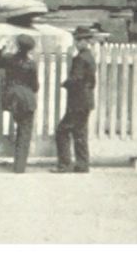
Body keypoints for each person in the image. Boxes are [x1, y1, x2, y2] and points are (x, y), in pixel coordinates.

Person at [52, 26, 96, 173]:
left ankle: (64, 164)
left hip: (78, 102)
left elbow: (76, 79)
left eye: (79, 40)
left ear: (85, 41)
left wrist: (65, 83)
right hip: (87, 100)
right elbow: (92, 81)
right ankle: (82, 165)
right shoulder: (89, 56)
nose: (77, 43)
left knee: (62, 130)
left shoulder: (80, 58)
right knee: (80, 133)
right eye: (77, 40)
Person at [0, 33, 39, 173]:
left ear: (18, 46)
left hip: (12, 98)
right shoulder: (31, 64)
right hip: (27, 99)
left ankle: (18, 164)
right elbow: (35, 86)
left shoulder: (9, 59)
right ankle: (20, 166)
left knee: (19, 126)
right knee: (24, 132)